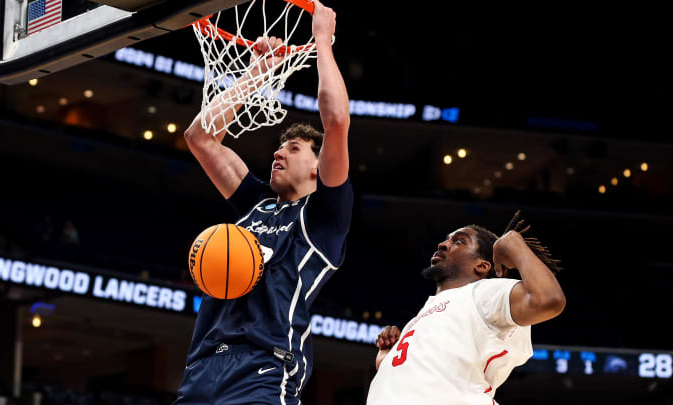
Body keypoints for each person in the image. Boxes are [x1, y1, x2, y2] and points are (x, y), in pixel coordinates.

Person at [175, 1, 352, 404]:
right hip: (201, 366)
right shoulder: (256, 201)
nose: (278, 153)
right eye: (278, 147)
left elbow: (337, 121)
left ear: (318, 166)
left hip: (265, 368)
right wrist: (259, 71)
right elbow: (200, 137)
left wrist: (322, 40)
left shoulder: (325, 216)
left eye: (292, 148)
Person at [367, 212, 566, 405]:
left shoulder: (483, 292)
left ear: (481, 266)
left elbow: (548, 299)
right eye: (447, 240)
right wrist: (386, 359)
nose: (443, 244)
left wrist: (514, 243)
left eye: (459, 241)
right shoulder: (420, 317)